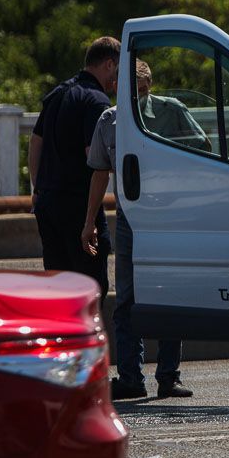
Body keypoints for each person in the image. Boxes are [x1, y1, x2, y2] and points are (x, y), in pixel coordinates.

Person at [82, 59, 193, 400]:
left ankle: (168, 376)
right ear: (118, 89)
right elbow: (100, 172)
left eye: (144, 91)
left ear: (151, 87)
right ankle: (130, 377)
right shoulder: (109, 121)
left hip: (168, 216)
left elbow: (199, 149)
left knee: (170, 293)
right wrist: (89, 223)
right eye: (134, 93)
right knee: (128, 297)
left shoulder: (172, 111)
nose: (140, 99)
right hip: (130, 218)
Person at [29, 37, 119, 295]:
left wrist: (38, 189)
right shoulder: (97, 101)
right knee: (91, 288)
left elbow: (36, 143)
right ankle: (88, 336)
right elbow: (96, 157)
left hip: (47, 203)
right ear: (110, 64)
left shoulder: (57, 94)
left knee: (58, 289)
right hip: (78, 205)